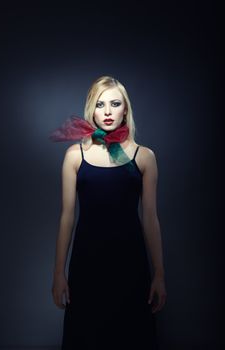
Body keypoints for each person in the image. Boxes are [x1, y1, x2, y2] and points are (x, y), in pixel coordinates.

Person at [50, 75, 167, 350]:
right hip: (87, 263)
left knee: (131, 337)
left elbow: (150, 217)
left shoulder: (144, 156)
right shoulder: (75, 156)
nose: (107, 111)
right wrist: (58, 272)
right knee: (86, 337)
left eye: (115, 104)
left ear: (125, 109)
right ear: (91, 109)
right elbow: (67, 216)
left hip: (130, 262)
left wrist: (159, 273)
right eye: (100, 104)